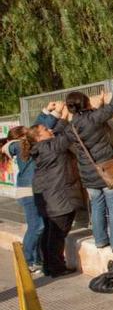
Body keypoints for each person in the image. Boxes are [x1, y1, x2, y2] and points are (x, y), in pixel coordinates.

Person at [65, 74, 113, 252]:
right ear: (86, 103)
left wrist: (98, 105)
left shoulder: (70, 127)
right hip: (107, 170)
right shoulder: (93, 118)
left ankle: (100, 240)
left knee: (97, 206)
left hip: (88, 174)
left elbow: (89, 123)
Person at [24, 103, 85, 278]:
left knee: (50, 234)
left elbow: (55, 134)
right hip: (59, 200)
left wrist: (61, 116)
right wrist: (72, 115)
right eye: (45, 129)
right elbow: (68, 135)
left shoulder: (40, 148)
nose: (50, 130)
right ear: (38, 137)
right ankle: (57, 268)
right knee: (56, 236)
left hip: (48, 200)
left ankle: (49, 267)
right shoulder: (51, 147)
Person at [0, 104, 63, 272]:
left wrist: (46, 110)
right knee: (37, 226)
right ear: (22, 136)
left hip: (32, 190)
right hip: (28, 192)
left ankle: (35, 259)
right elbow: (38, 132)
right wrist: (55, 114)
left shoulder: (23, 145)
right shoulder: (19, 146)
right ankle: (28, 261)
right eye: (27, 132)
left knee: (38, 226)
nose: (31, 132)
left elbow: (37, 129)